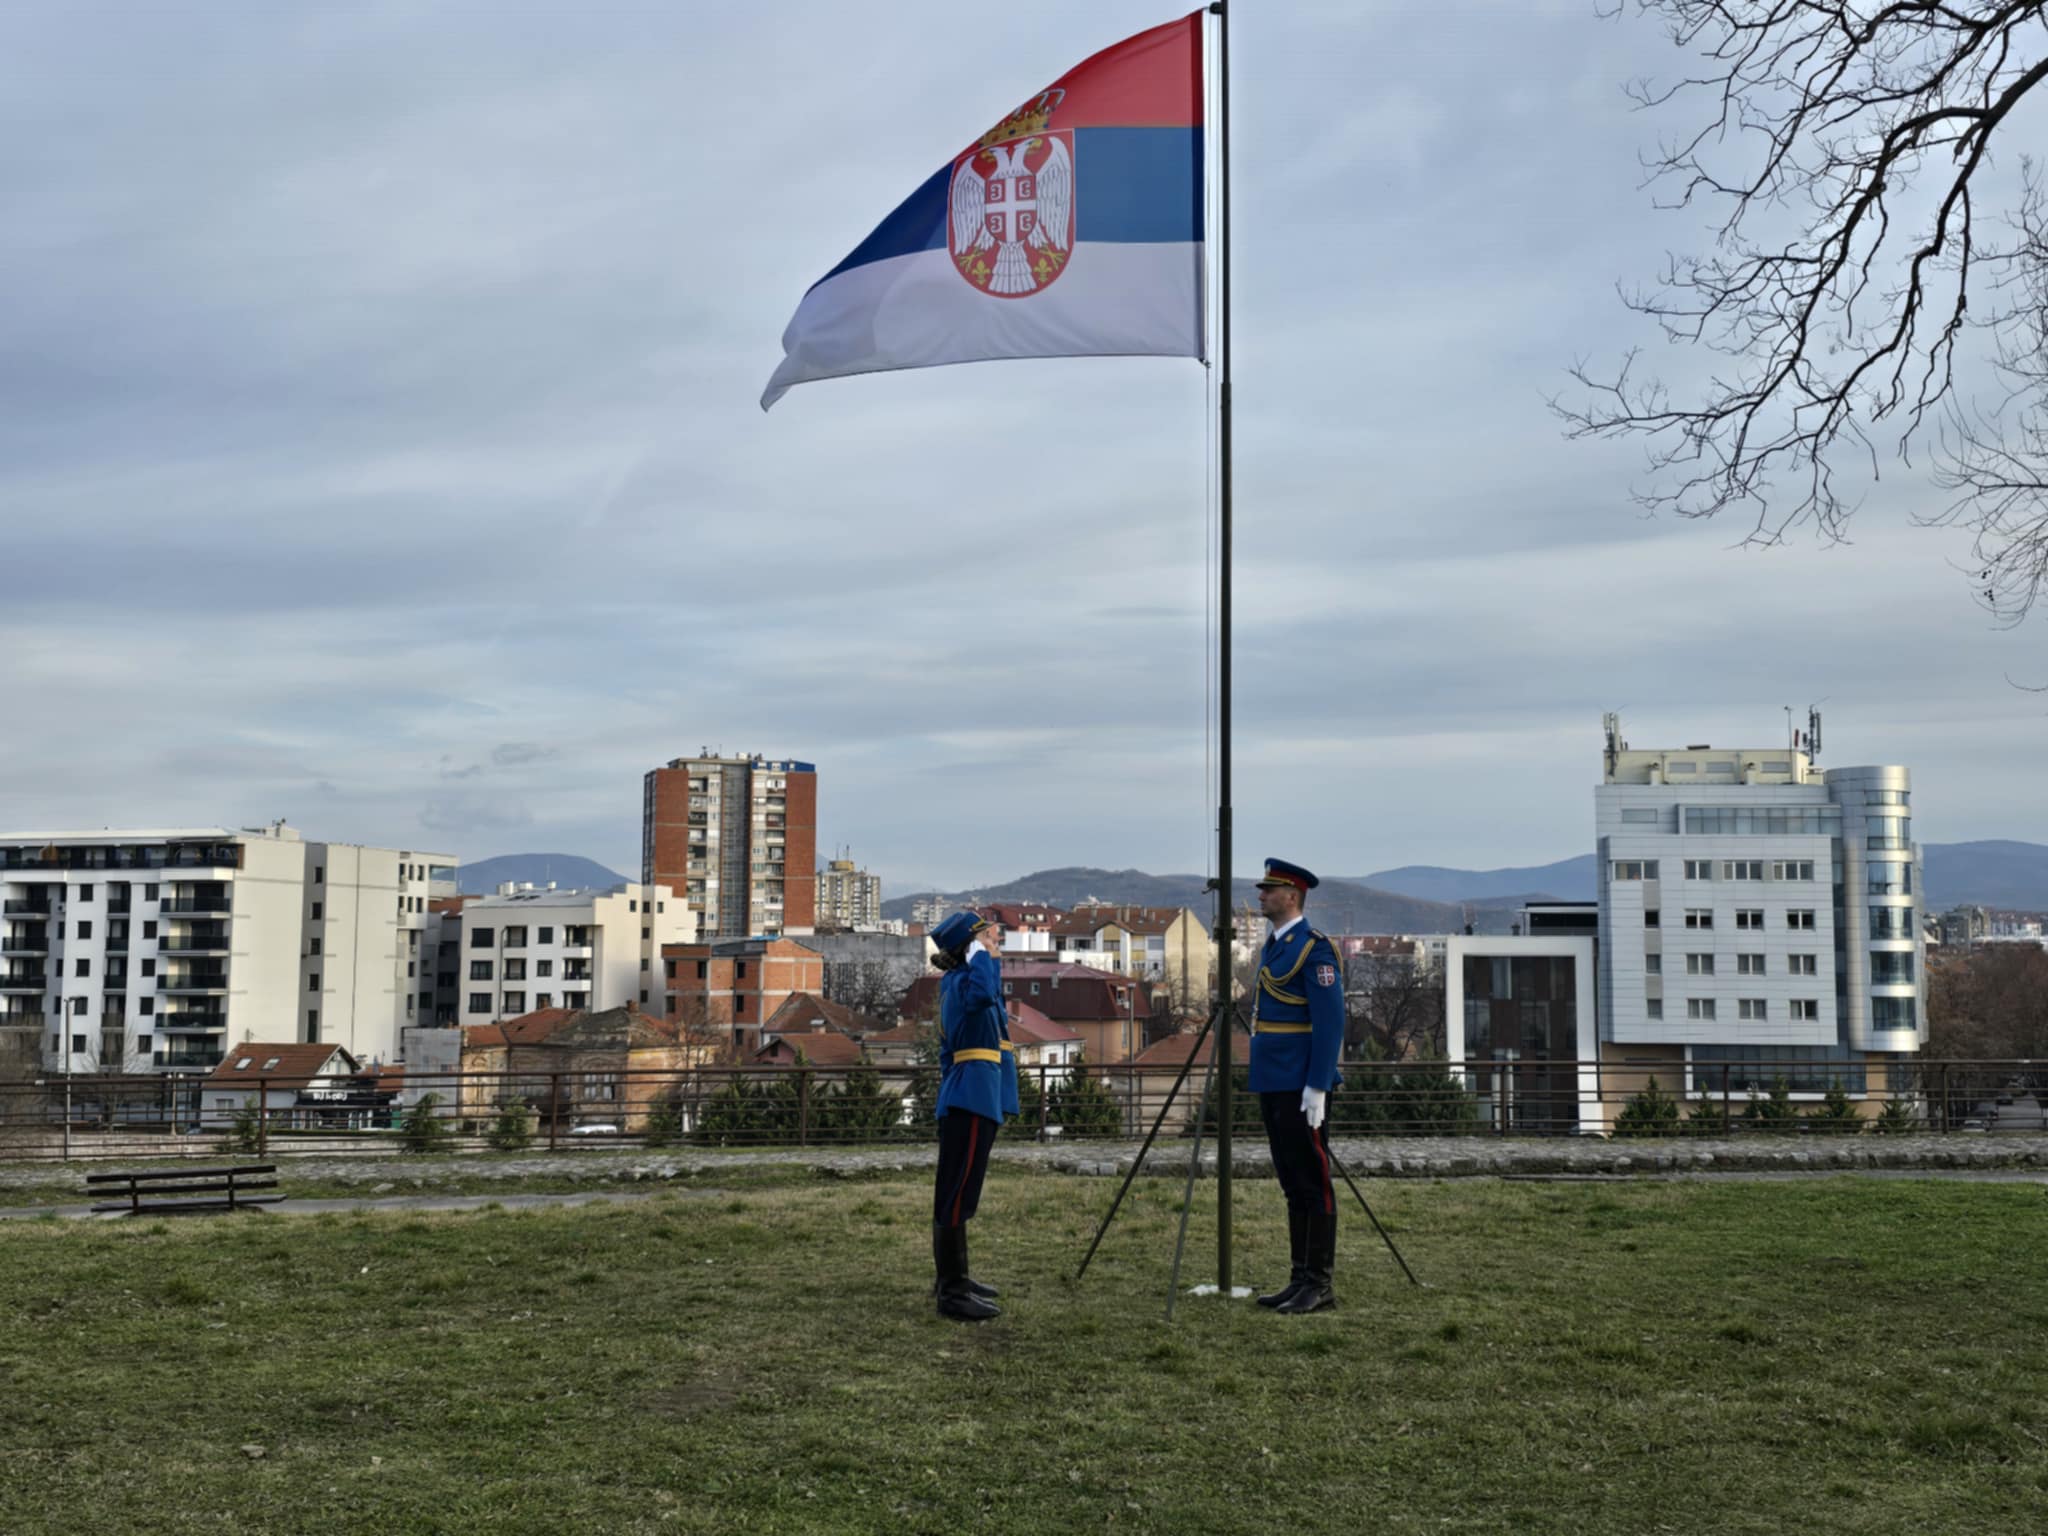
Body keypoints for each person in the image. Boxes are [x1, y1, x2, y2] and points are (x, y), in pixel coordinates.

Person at [1247, 858, 1346, 1314]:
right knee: (1291, 1181)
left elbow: (1330, 1023)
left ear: (1292, 895)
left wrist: (1319, 1085)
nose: (1260, 894)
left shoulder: (1314, 948)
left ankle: (1319, 1283)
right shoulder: (1276, 945)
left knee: (1313, 1180)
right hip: (1274, 1077)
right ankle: (1298, 1277)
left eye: (1269, 889)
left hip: (1301, 1081)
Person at [927, 909, 1009, 1321]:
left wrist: (983, 959)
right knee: (957, 1193)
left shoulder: (955, 982)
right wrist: (981, 955)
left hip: (969, 1094)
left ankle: (953, 1279)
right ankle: (952, 1292)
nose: (995, 941)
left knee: (957, 1190)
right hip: (970, 1098)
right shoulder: (965, 984)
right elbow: (983, 996)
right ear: (969, 947)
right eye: (986, 937)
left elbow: (992, 1004)